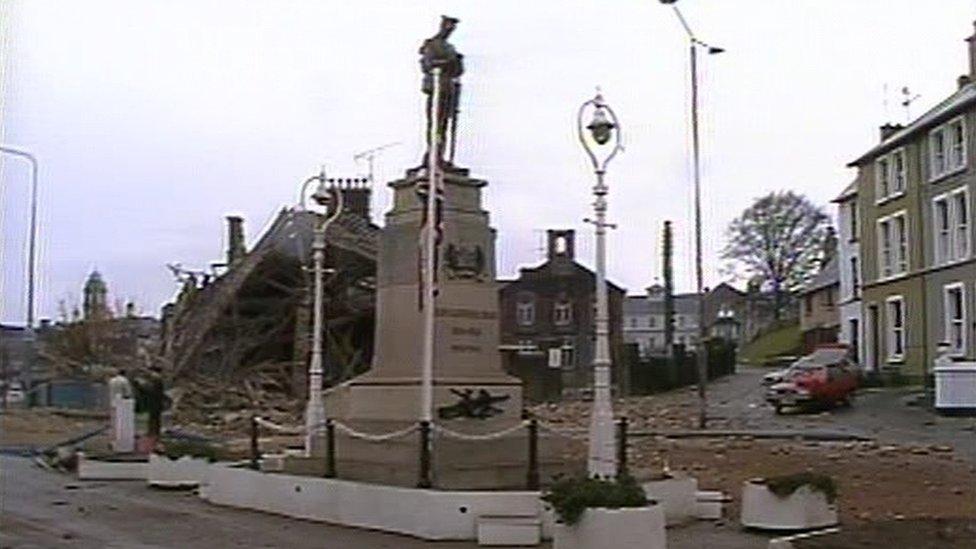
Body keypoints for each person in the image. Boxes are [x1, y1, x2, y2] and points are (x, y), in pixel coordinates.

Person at [419, 15, 464, 165]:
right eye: (448, 27)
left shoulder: (450, 48)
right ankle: (431, 154)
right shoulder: (431, 45)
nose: (449, 30)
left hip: (448, 89)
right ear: (442, 26)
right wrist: (448, 63)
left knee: (444, 124)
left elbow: (458, 71)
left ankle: (439, 154)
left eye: (452, 28)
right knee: (435, 124)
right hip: (436, 87)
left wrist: (458, 62)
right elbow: (428, 65)